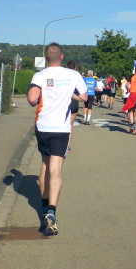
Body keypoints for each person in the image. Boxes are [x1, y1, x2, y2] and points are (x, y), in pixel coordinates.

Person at [26, 43, 87, 236]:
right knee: (56, 168)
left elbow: (32, 99)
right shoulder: (73, 75)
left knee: (45, 165)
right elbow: (84, 97)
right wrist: (70, 94)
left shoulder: (40, 75)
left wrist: (39, 98)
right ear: (62, 57)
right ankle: (52, 211)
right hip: (61, 128)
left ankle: (44, 207)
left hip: (43, 126)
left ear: (46, 58)